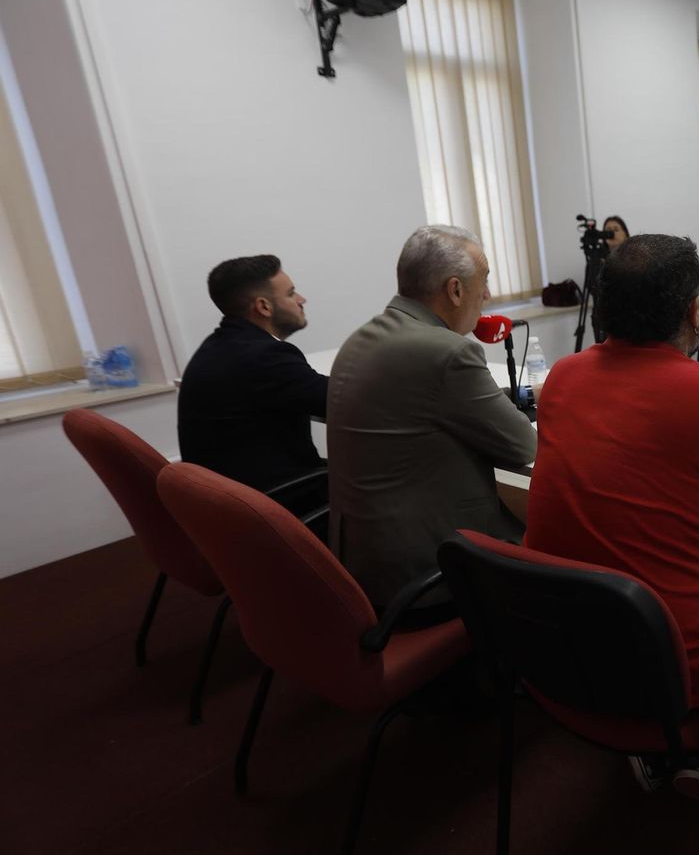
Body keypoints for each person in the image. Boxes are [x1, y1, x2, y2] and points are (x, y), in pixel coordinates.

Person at [525, 233, 699, 809]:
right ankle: (692, 749)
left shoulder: (562, 377)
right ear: (692, 311)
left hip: (562, 644)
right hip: (669, 659)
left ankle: (653, 741)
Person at [328, 225, 537, 616]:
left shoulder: (364, 337)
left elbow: (428, 402)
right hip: (427, 571)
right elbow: (523, 446)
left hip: (363, 560)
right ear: (455, 290)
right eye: (485, 281)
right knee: (559, 544)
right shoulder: (448, 352)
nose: (488, 295)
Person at [178, 255, 329, 511]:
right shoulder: (264, 357)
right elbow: (343, 401)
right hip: (279, 504)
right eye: (291, 294)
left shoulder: (220, 346)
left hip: (234, 506)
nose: (302, 300)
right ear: (264, 306)